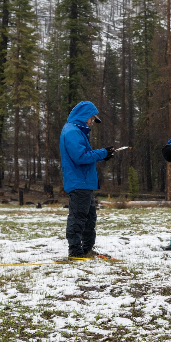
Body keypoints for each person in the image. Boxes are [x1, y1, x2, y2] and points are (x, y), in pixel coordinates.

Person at [59, 101, 114, 258]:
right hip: (79, 182)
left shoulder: (77, 131)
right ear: (84, 116)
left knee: (89, 218)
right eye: (91, 118)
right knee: (78, 217)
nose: (92, 122)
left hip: (84, 183)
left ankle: (87, 249)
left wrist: (104, 154)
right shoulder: (71, 132)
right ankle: (75, 251)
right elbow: (80, 157)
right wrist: (103, 153)